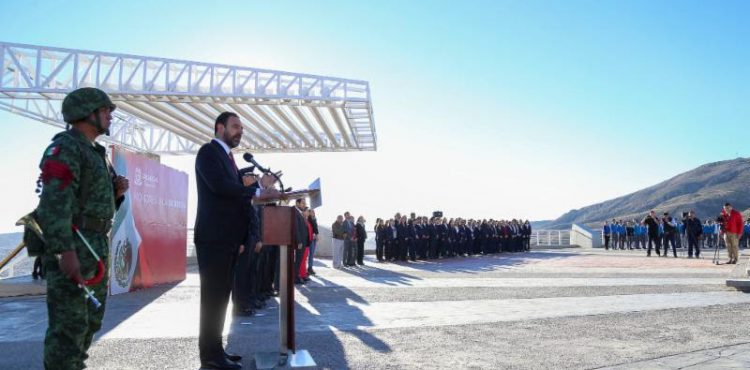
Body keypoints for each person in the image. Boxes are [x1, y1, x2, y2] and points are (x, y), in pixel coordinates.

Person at [36, 87, 128, 370]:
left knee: (88, 321)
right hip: (76, 244)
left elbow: (88, 202)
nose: (110, 116)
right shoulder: (65, 147)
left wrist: (115, 193)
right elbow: (54, 203)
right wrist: (65, 251)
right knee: (68, 327)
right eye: (105, 111)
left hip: (95, 244)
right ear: (87, 114)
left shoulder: (95, 152)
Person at [194, 111, 274, 370]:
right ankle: (209, 358)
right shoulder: (208, 153)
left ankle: (217, 352)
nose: (240, 131)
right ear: (220, 128)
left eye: (241, 127)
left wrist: (256, 187)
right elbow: (221, 188)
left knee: (220, 299)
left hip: (227, 240)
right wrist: (257, 189)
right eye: (235, 126)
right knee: (212, 300)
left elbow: (235, 194)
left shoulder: (228, 158)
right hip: (213, 238)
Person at [307, 209, 319, 275]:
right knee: (310, 254)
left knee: (312, 254)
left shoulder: (314, 219)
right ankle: (309, 268)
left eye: (314, 212)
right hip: (311, 238)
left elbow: (316, 228)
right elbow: (312, 228)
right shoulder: (309, 219)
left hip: (314, 238)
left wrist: (317, 235)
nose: (313, 213)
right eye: (311, 212)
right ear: (309, 213)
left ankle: (310, 267)